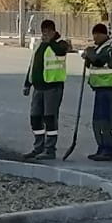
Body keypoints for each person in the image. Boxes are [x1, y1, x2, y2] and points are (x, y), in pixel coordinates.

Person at [22, 19, 69, 160]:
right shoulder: (39, 45)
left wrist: (51, 41)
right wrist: (27, 83)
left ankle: (50, 149)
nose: (45, 34)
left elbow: (60, 52)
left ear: (54, 32)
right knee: (35, 118)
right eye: (43, 31)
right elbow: (33, 65)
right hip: (38, 87)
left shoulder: (61, 44)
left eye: (48, 31)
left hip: (52, 87)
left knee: (50, 118)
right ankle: (38, 147)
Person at [81, 22, 112, 162]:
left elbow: (99, 61)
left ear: (104, 34)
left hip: (110, 88)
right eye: (94, 34)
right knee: (98, 121)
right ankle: (101, 147)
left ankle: (109, 150)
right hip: (100, 89)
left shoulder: (110, 47)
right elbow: (93, 63)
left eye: (97, 34)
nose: (95, 37)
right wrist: (87, 58)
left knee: (107, 121)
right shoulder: (98, 48)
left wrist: (89, 53)